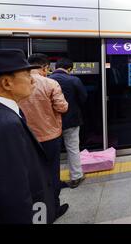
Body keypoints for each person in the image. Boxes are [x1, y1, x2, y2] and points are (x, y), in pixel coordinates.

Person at [0, 49, 56, 223]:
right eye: (27, 74)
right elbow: (13, 192)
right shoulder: (5, 124)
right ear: (6, 82)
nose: (32, 80)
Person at [18, 54, 69, 219]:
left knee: (30, 174)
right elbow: (62, 107)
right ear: (44, 67)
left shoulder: (16, 84)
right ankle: (53, 208)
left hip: (24, 138)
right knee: (52, 173)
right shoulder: (50, 83)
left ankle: (35, 211)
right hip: (49, 135)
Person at [50, 58, 87, 188]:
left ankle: (52, 180)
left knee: (52, 151)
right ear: (70, 69)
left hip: (50, 122)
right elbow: (83, 98)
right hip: (71, 119)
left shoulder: (47, 80)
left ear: (55, 67)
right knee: (72, 148)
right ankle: (76, 176)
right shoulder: (74, 80)